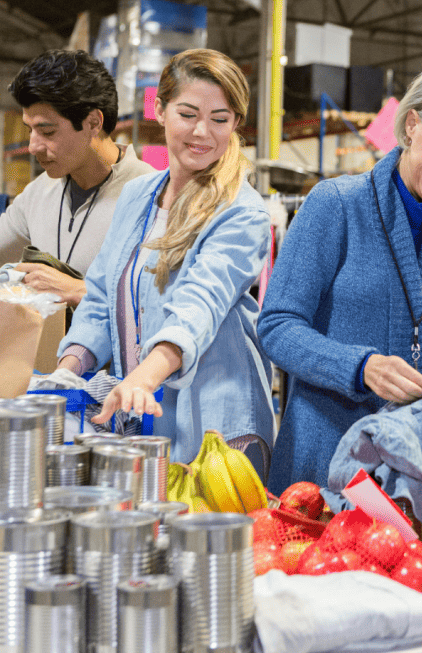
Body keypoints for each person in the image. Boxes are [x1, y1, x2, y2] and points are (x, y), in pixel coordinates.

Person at [258, 57, 422, 494]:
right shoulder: (336, 205)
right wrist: (360, 367)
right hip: (326, 460)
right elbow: (277, 327)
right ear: (412, 124)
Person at [56, 48, 275, 472]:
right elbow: (103, 294)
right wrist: (68, 371)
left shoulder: (240, 211)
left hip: (217, 431)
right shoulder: (139, 195)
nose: (202, 132)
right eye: (188, 113)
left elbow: (200, 305)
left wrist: (144, 375)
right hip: (145, 410)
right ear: (159, 108)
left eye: (220, 119)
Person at [0, 49, 153, 308]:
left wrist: (81, 291)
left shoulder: (152, 197)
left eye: (47, 131)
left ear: (94, 123)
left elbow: (158, 299)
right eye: (30, 130)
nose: (33, 146)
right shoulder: (40, 193)